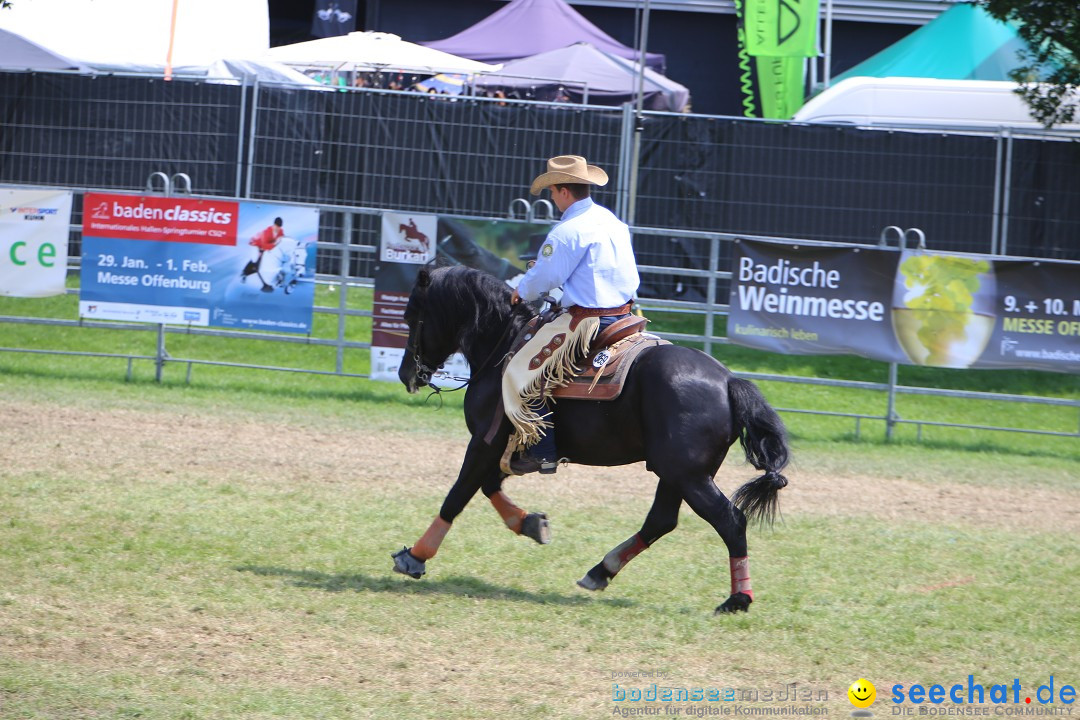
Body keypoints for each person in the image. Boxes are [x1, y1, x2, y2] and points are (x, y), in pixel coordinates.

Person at [505, 155, 640, 475]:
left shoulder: (567, 231)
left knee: (518, 373)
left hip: (588, 320)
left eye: (552, 191)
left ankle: (544, 450)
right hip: (626, 315)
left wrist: (522, 291)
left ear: (564, 191)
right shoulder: (612, 221)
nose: (552, 197)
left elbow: (545, 279)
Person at [242, 217, 284, 293]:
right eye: (276, 226)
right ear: (273, 225)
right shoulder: (267, 232)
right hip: (255, 244)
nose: (277, 229)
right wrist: (275, 244)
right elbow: (264, 246)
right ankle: (245, 273)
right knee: (255, 258)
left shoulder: (280, 231)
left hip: (266, 244)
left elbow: (281, 239)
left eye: (279, 227)